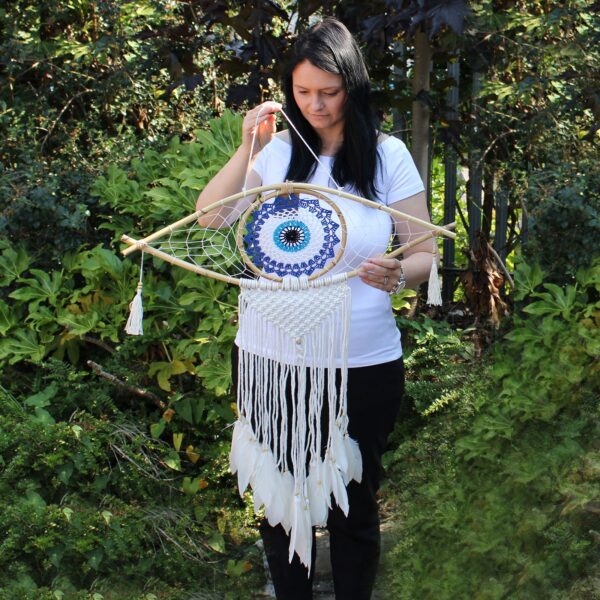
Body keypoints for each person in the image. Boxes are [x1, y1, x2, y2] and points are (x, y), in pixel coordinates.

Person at [196, 17, 435, 600]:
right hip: (269, 358)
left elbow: (425, 254)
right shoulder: (277, 153)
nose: (315, 105)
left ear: (353, 86)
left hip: (361, 361)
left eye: (329, 92)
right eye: (302, 92)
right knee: (280, 501)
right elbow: (211, 218)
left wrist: (397, 273)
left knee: (354, 503)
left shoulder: (387, 156)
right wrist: (248, 147)